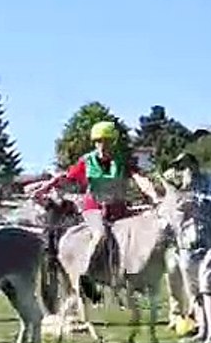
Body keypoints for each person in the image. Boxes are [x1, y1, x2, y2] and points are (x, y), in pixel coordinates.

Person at [30, 120, 161, 288]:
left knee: (141, 230)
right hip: (94, 208)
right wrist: (46, 187)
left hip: (118, 208)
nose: (103, 145)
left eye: (107, 141)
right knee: (100, 234)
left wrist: (153, 196)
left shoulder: (122, 161)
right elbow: (66, 178)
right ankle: (86, 274)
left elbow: (140, 179)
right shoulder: (87, 161)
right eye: (99, 141)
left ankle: (134, 273)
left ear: (113, 142)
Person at [170, 152, 211, 343]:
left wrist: (198, 202)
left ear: (194, 165)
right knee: (194, 290)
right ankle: (202, 330)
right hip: (187, 243)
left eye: (186, 166)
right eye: (180, 168)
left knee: (209, 286)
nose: (183, 171)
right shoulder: (180, 190)